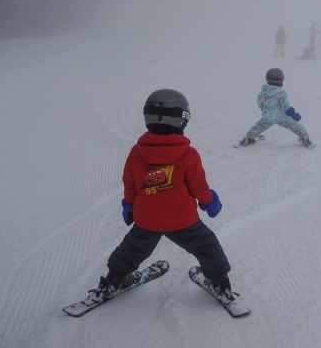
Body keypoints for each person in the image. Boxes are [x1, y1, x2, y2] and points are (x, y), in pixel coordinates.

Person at [86, 89, 234, 302]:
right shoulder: (188, 154)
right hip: (183, 221)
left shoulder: (137, 153)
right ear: (183, 120)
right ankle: (221, 283)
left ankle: (113, 281)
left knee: (131, 250)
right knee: (206, 246)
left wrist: (128, 204)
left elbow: (130, 183)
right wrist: (209, 201)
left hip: (147, 220)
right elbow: (198, 186)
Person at [240, 68, 314, 148]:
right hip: (281, 117)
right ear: (281, 80)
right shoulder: (281, 93)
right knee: (294, 125)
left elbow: (260, 103)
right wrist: (292, 113)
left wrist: (265, 110)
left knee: (258, 126)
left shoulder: (262, 93)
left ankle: (249, 138)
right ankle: (305, 137)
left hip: (267, 117)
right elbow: (285, 105)